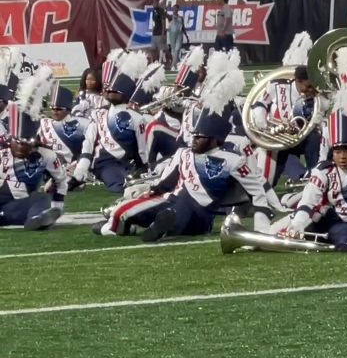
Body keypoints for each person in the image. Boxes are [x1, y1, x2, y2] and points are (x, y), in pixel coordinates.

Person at [98, 69, 272, 240]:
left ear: (214, 139)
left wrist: (261, 227)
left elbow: (257, 192)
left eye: (200, 137)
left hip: (200, 212)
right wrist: (149, 189)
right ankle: (131, 225)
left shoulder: (234, 160)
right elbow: (168, 183)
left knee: (174, 215)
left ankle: (160, 226)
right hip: (173, 199)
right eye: (194, 135)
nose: (194, 140)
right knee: (122, 213)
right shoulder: (184, 153)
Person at [276, 71, 347, 253]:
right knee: (273, 233)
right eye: (338, 151)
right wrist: (299, 224)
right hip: (320, 221)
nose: (342, 156)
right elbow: (308, 202)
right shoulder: (323, 171)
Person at [250, 33, 327, 186]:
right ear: (297, 81)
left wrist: (320, 116)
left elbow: (322, 113)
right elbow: (260, 104)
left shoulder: (318, 94)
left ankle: (315, 177)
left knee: (316, 139)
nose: (311, 90)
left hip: (303, 137)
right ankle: (277, 181)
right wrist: (261, 121)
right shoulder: (278, 84)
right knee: (269, 180)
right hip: (279, 136)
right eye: (308, 86)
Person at [70, 51, 151, 193]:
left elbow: (142, 149)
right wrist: (82, 167)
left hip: (128, 163)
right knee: (120, 187)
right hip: (104, 163)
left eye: (114, 91)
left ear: (124, 94)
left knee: (139, 187)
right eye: (108, 90)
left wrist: (143, 168)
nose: (108, 93)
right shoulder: (98, 113)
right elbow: (88, 143)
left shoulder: (138, 118)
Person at [0, 68, 68, 230]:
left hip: (15, 208)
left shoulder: (47, 156)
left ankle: (38, 219)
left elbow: (61, 181)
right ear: (11, 139)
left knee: (41, 199)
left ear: (34, 142)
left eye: (26, 143)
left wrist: (58, 205)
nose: (21, 147)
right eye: (17, 142)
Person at [40, 80, 90, 168]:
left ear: (68, 109)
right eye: (52, 108)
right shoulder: (44, 123)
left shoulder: (82, 124)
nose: (55, 111)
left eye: (59, 109)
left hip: (72, 168)